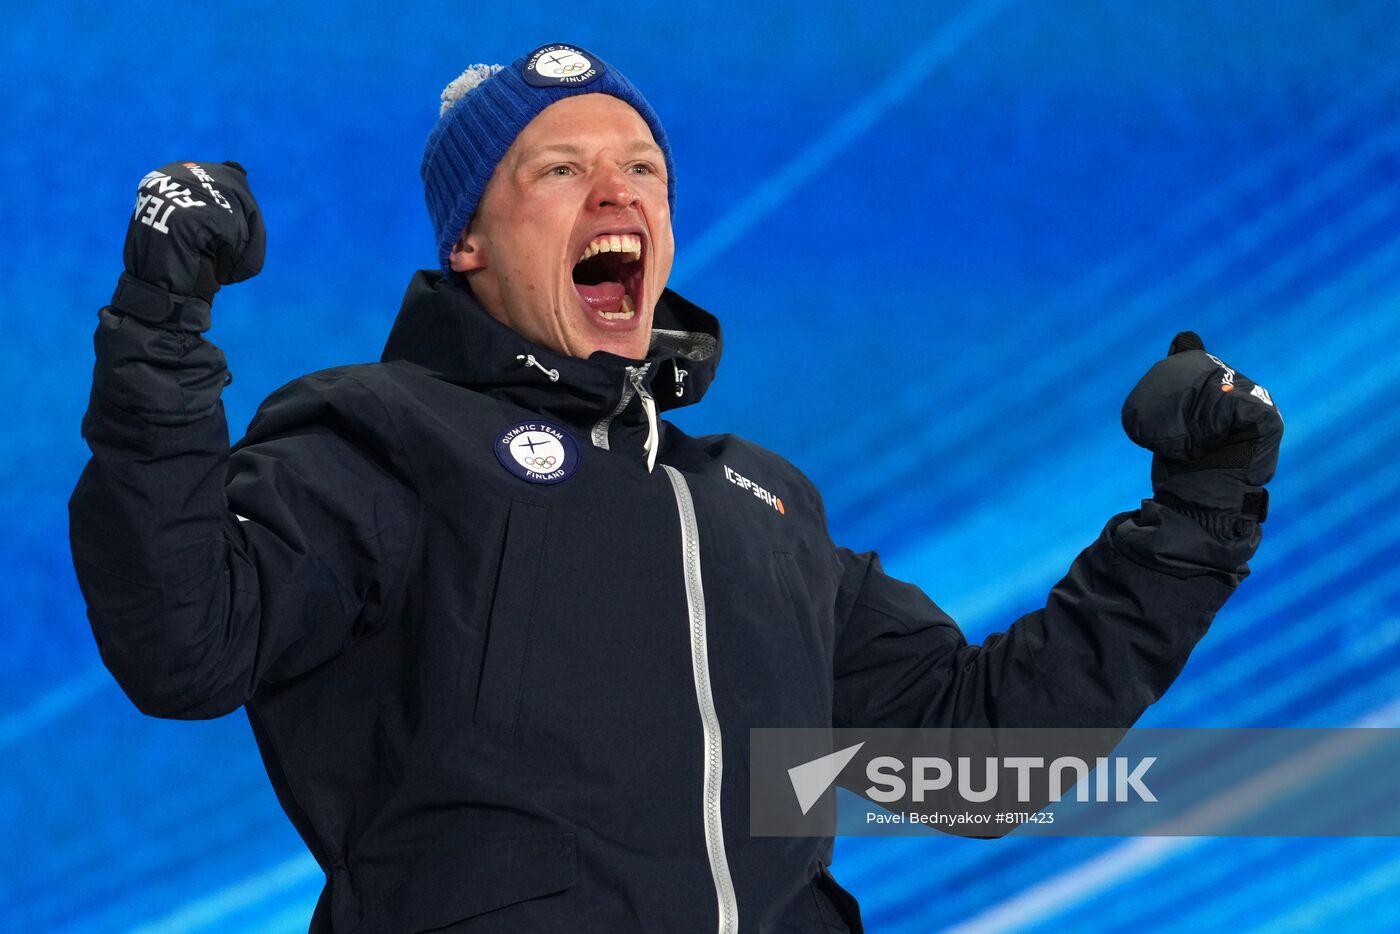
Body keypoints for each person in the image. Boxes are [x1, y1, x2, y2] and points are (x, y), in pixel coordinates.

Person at [69, 43, 1282, 934]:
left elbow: (977, 761)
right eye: (558, 169)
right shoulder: (385, 436)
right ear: (467, 243)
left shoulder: (755, 505)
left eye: (641, 165)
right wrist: (158, 329)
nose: (618, 193)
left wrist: (1193, 515)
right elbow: (187, 639)